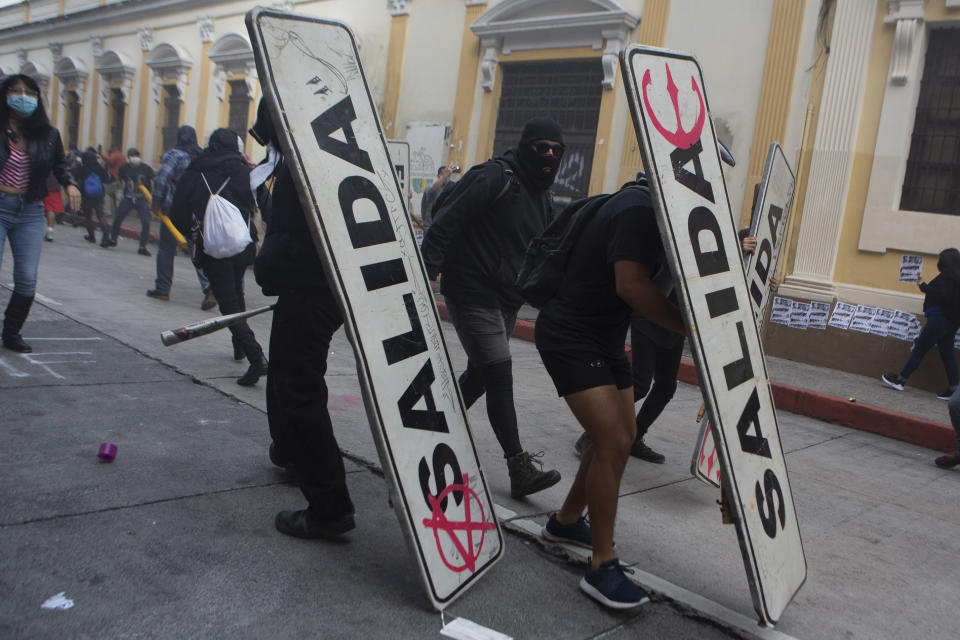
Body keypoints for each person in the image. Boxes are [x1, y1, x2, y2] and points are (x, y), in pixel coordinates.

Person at [535, 177, 684, 609]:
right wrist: (691, 327)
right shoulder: (638, 208)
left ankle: (565, 522)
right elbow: (631, 285)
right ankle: (602, 566)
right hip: (570, 333)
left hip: (603, 336)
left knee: (619, 433)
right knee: (616, 440)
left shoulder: (658, 209)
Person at [421, 117, 564, 499]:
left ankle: (430, 426)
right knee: (500, 372)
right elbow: (444, 224)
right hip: (471, 290)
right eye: (541, 147)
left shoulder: (543, 195)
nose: (549, 155)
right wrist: (423, 279)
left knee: (482, 376)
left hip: (506, 298)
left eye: (556, 149)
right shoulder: (494, 177)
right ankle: (519, 466)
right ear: (525, 146)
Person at [249, 100, 355, 538]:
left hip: (310, 289)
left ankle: (328, 505)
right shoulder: (336, 156)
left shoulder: (301, 166)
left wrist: (265, 271)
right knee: (293, 379)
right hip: (328, 287)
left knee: (298, 387)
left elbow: (286, 241)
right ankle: (291, 452)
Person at [171, 128, 267, 386]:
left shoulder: (197, 169)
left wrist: (194, 234)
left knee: (228, 304)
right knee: (237, 290)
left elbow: (177, 210)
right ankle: (239, 346)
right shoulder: (246, 170)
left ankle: (256, 358)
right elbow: (265, 203)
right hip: (243, 244)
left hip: (213, 248)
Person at [0, 74, 81, 353]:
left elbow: (60, 164)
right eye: (16, 91)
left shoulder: (48, 134)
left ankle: (11, 333)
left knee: (26, 276)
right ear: (5, 95)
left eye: (30, 92)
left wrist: (70, 183)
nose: (23, 97)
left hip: (30, 211)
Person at [146, 125, 215, 311]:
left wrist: (156, 202)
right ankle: (208, 286)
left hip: (173, 211)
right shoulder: (200, 156)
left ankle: (162, 288)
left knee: (166, 250)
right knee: (195, 249)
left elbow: (162, 178)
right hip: (196, 212)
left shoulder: (174, 155)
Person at [883, 248, 960, 399]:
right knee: (947, 354)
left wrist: (923, 285)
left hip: (939, 319)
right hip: (952, 322)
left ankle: (900, 380)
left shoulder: (947, 276)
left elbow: (942, 296)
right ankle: (954, 388)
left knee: (920, 349)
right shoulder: (957, 277)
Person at [104, 147, 154, 255]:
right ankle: (113, 239)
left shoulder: (145, 168)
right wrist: (119, 191)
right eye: (132, 156)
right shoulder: (124, 168)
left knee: (146, 222)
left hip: (141, 198)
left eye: (136, 156)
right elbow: (120, 180)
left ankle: (142, 246)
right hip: (128, 197)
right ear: (128, 157)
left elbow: (152, 179)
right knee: (118, 218)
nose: (134, 158)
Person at [73, 147, 111, 244]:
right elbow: (106, 178)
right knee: (101, 215)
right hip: (99, 195)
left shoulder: (82, 167)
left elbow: (76, 177)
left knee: (88, 216)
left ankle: (91, 236)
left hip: (86, 195)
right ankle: (106, 236)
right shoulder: (99, 167)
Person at [101, 145, 125, 215]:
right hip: (121, 179)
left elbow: (110, 161)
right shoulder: (122, 156)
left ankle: (107, 211)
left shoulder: (114, 155)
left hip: (113, 178)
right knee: (118, 196)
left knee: (106, 193)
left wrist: (102, 156)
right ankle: (120, 211)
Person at [41, 173, 63, 242]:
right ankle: (50, 229)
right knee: (51, 209)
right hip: (55, 186)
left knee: (47, 208)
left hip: (44, 184)